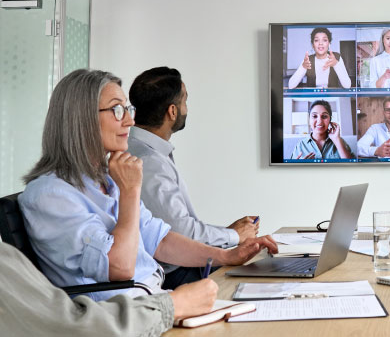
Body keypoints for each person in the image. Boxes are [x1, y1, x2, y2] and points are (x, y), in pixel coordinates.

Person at [19, 69, 278, 302]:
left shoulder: (106, 181)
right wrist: (131, 191)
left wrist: (227, 256)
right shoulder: (50, 195)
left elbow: (160, 240)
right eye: (116, 110)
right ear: (82, 119)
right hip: (122, 318)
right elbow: (120, 267)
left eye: (127, 110)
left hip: (153, 302)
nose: (130, 122)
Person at [126, 67, 262, 289]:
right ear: (172, 111)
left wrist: (227, 235)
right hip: (174, 274)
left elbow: (175, 226)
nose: (186, 109)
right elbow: (180, 231)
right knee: (255, 275)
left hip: (179, 265)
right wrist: (233, 236)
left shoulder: (143, 150)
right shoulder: (149, 162)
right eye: (185, 101)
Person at [0, 241, 217, 336]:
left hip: (143, 307)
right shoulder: (52, 196)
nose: (129, 144)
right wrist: (174, 304)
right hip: (130, 312)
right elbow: (77, 328)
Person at [287, 27, 352, 89]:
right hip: (313, 99)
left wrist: (336, 64)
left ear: (329, 43)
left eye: (324, 40)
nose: (320, 43)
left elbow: (347, 85)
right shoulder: (308, 60)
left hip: (333, 99)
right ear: (313, 45)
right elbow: (291, 85)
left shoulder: (336, 57)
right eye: (316, 40)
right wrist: (303, 67)